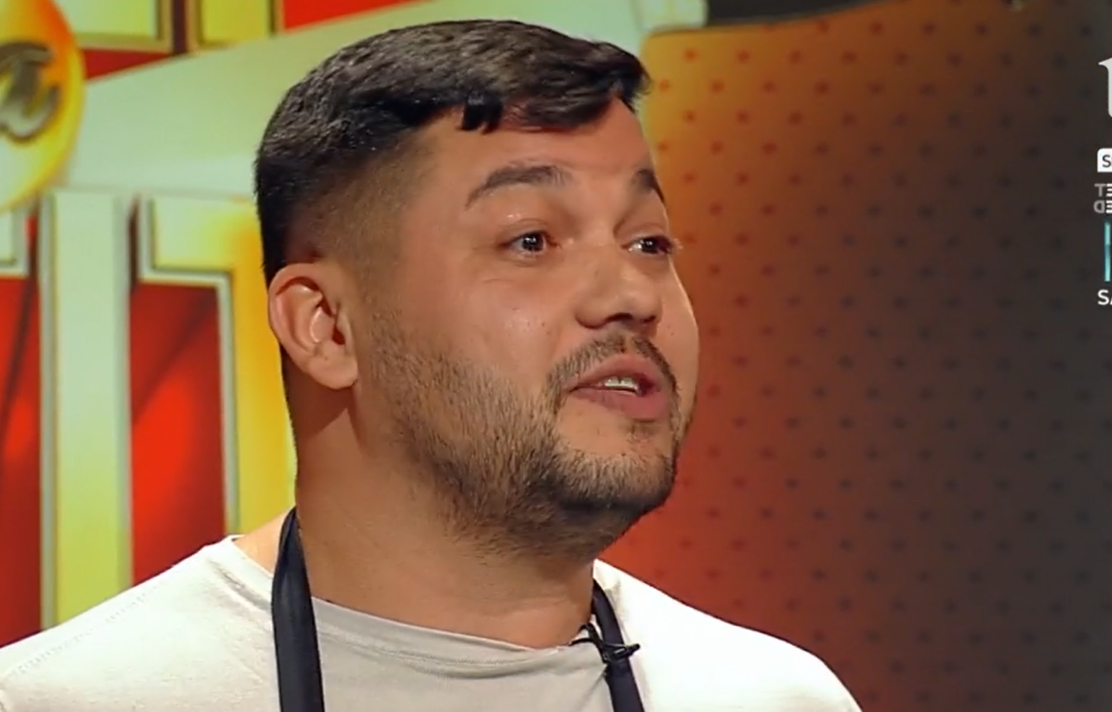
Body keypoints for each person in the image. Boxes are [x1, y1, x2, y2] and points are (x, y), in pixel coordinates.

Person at [0, 20, 861, 712]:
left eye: (649, 242)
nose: (631, 294)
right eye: (532, 240)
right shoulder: (78, 698)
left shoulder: (770, 697)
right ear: (326, 327)